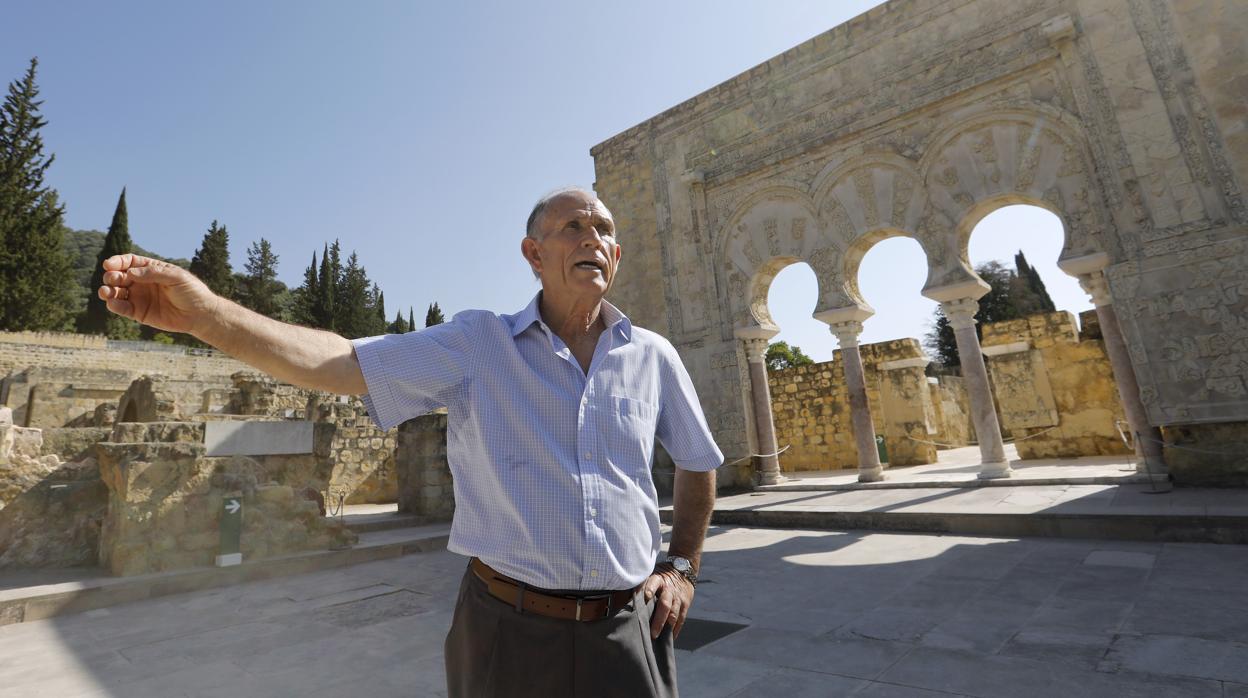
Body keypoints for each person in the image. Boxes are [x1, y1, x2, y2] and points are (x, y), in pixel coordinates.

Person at [97, 186, 722, 697]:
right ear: (533, 254)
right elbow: (341, 362)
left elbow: (698, 461)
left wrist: (684, 567)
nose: (593, 237)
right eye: (572, 227)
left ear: (615, 255)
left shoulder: (654, 356)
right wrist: (206, 314)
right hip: (507, 631)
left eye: (604, 229)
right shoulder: (481, 344)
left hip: (626, 629)